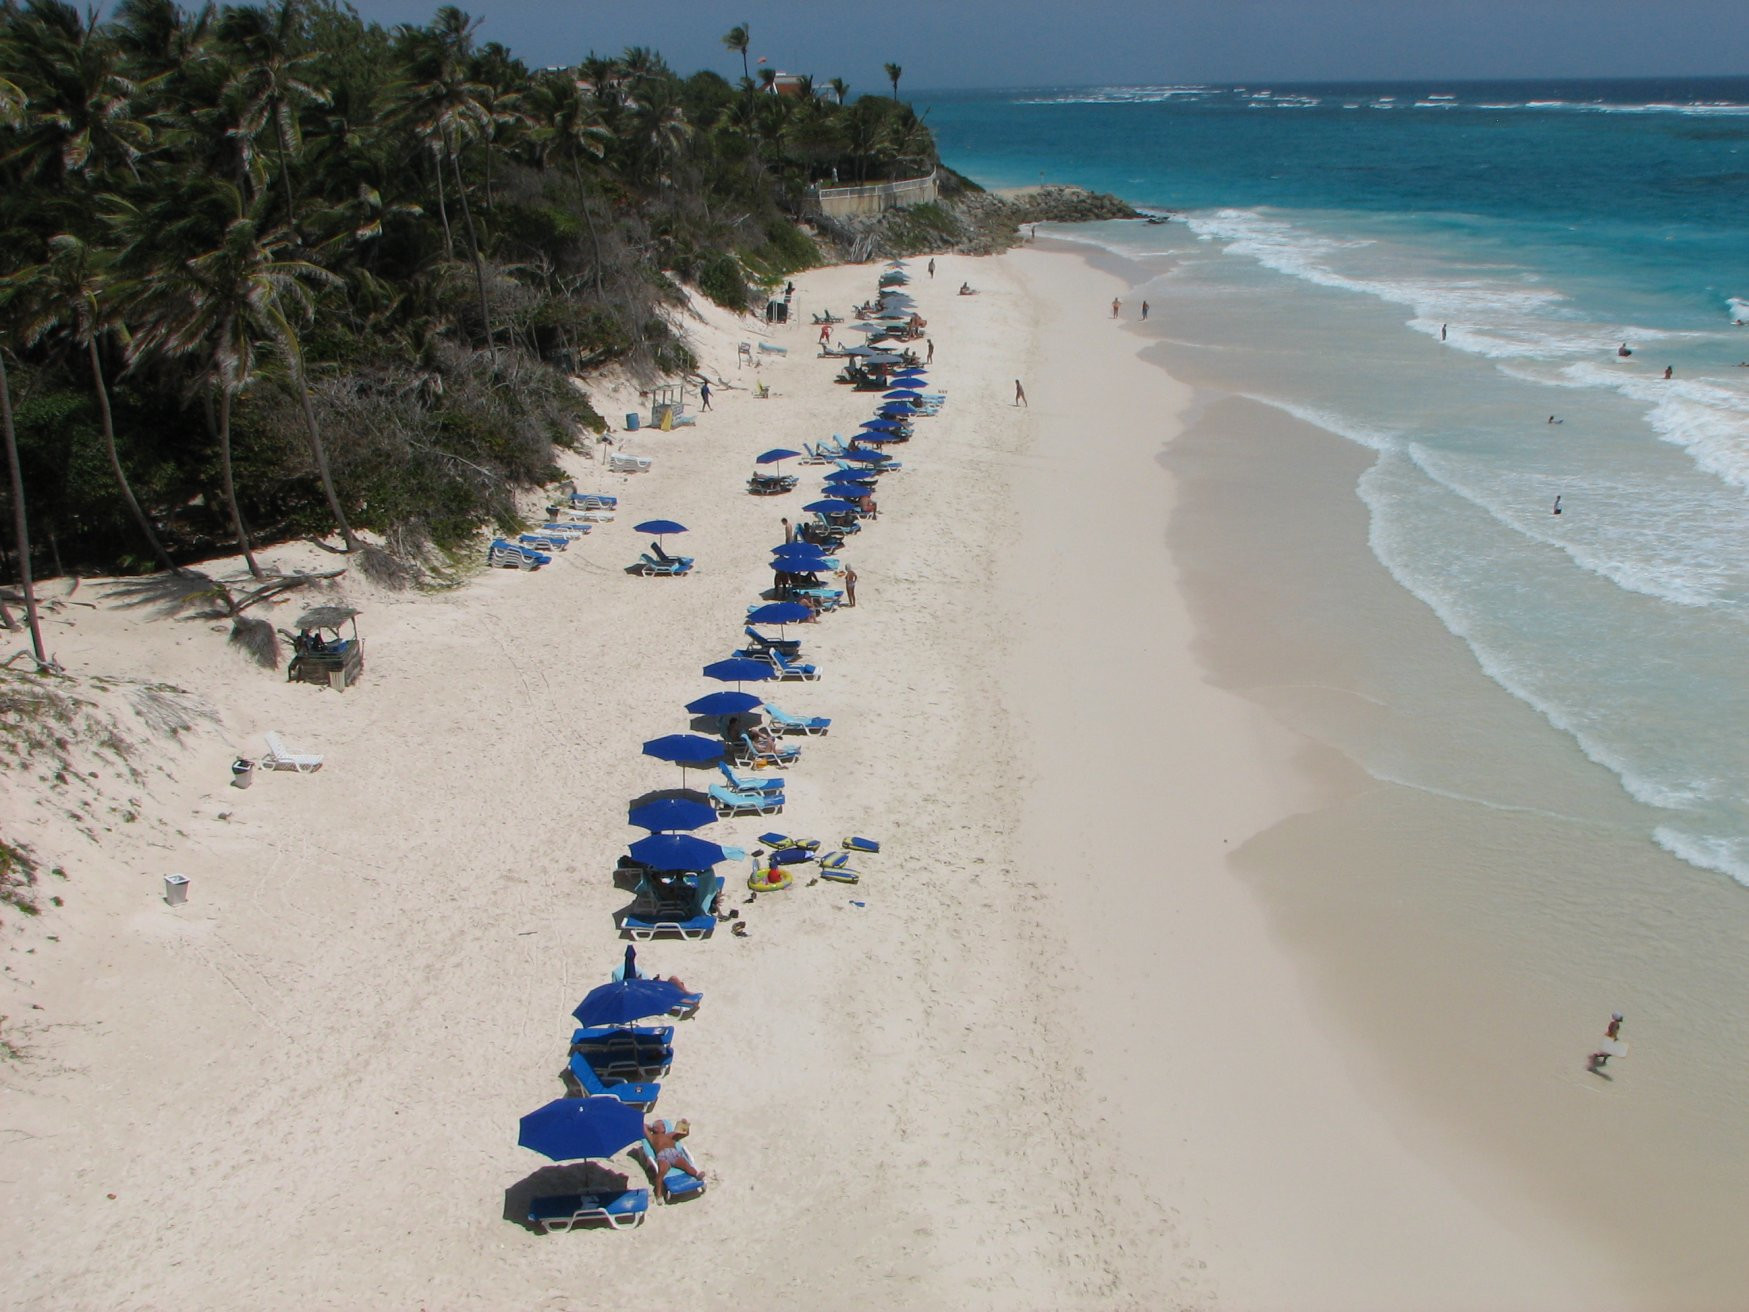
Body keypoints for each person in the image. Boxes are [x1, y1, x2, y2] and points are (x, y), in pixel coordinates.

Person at [645, 1119, 703, 1201]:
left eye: (664, 1125)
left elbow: (685, 1133)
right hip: (662, 1155)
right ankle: (658, 1194)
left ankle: (698, 1174)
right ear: (654, 1128)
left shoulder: (670, 1135)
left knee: (687, 1166)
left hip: (674, 1153)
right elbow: (643, 1126)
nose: (663, 1126)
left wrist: (684, 1124)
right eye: (661, 1125)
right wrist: (650, 1127)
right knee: (661, 1172)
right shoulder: (652, 1137)